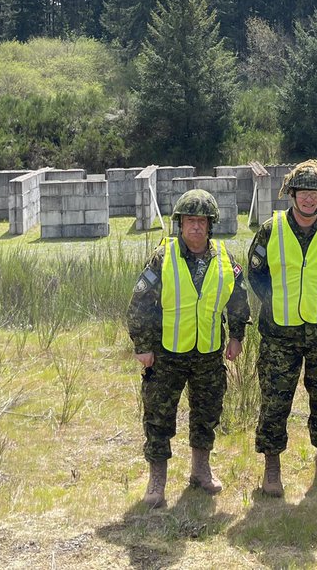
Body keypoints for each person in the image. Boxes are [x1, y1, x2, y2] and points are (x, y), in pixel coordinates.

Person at [127, 189, 250, 509]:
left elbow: (238, 299)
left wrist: (236, 336)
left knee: (207, 412)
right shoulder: (162, 256)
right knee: (158, 415)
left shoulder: (225, 258)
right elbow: (141, 302)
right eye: (189, 221)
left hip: (209, 353)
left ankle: (200, 470)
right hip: (167, 353)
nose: (195, 227)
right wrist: (143, 345)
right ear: (179, 224)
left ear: (210, 225)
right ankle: (157, 478)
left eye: (202, 221)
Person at [247, 159, 317, 496]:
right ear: (291, 194)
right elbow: (256, 274)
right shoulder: (270, 229)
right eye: (302, 192)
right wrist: (277, 303)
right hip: (280, 335)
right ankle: (272, 467)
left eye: (315, 193)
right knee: (275, 401)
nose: (308, 199)